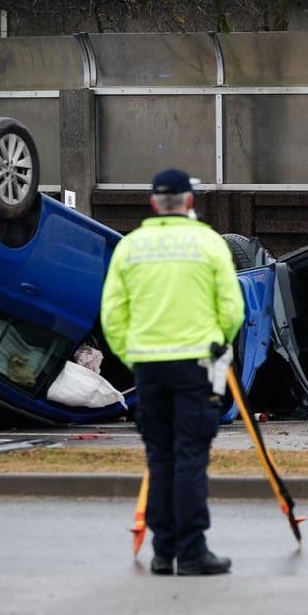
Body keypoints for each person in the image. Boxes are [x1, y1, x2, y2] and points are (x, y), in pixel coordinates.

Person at [100, 168, 245, 576]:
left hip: (147, 369)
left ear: (152, 204)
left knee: (159, 458)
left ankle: (164, 552)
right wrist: (219, 341)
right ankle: (193, 552)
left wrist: (133, 356)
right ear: (189, 202)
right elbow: (232, 309)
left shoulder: (130, 248)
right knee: (190, 458)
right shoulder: (208, 243)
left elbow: (112, 315)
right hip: (195, 367)